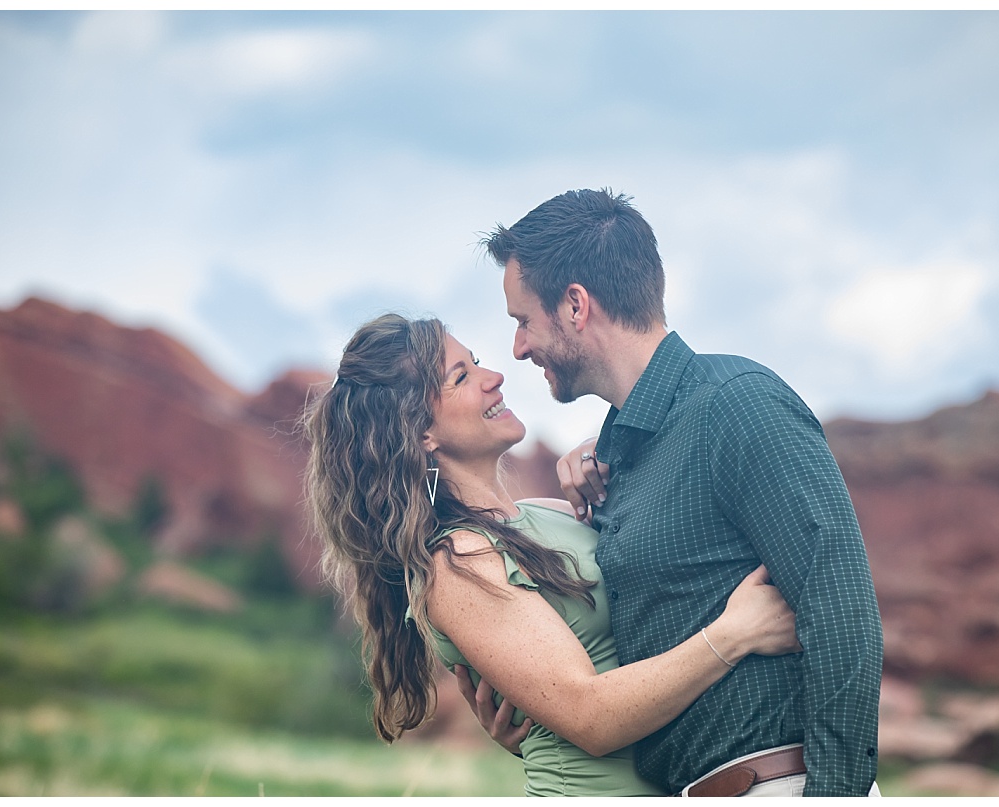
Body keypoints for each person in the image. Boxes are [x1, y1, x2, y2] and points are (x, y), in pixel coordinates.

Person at [477, 188, 884, 797]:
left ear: (575, 305)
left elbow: (842, 609)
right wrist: (544, 720)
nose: (518, 347)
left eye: (522, 321)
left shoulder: (737, 405)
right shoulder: (618, 452)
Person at [302, 312, 802, 797]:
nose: (495, 376)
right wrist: (735, 635)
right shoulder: (458, 563)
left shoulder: (545, 514)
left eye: (476, 362)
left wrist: (612, 456)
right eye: (461, 376)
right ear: (420, 434)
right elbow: (591, 717)